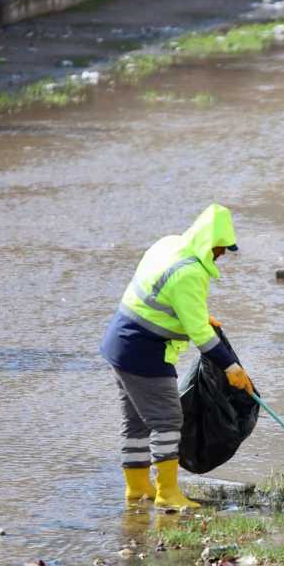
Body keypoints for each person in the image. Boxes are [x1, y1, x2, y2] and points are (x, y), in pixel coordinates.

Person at [100, 204, 254, 510]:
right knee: (168, 420)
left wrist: (193, 315)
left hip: (119, 343)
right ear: (210, 243)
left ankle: (136, 488)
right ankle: (167, 493)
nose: (222, 254)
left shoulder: (169, 244)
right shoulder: (190, 273)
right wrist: (231, 367)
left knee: (136, 422)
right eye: (221, 248)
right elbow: (201, 336)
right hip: (144, 352)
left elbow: (160, 295)